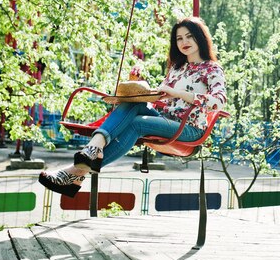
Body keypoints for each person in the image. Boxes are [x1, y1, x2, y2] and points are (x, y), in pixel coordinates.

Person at [39, 17, 227, 197]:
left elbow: (219, 101)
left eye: (189, 36)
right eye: (179, 38)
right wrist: (136, 89)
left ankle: (75, 171)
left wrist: (177, 93)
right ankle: (93, 149)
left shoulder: (211, 69)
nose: (184, 41)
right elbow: (159, 97)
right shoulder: (177, 68)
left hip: (189, 128)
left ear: (200, 37)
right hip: (165, 119)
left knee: (138, 124)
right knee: (133, 103)